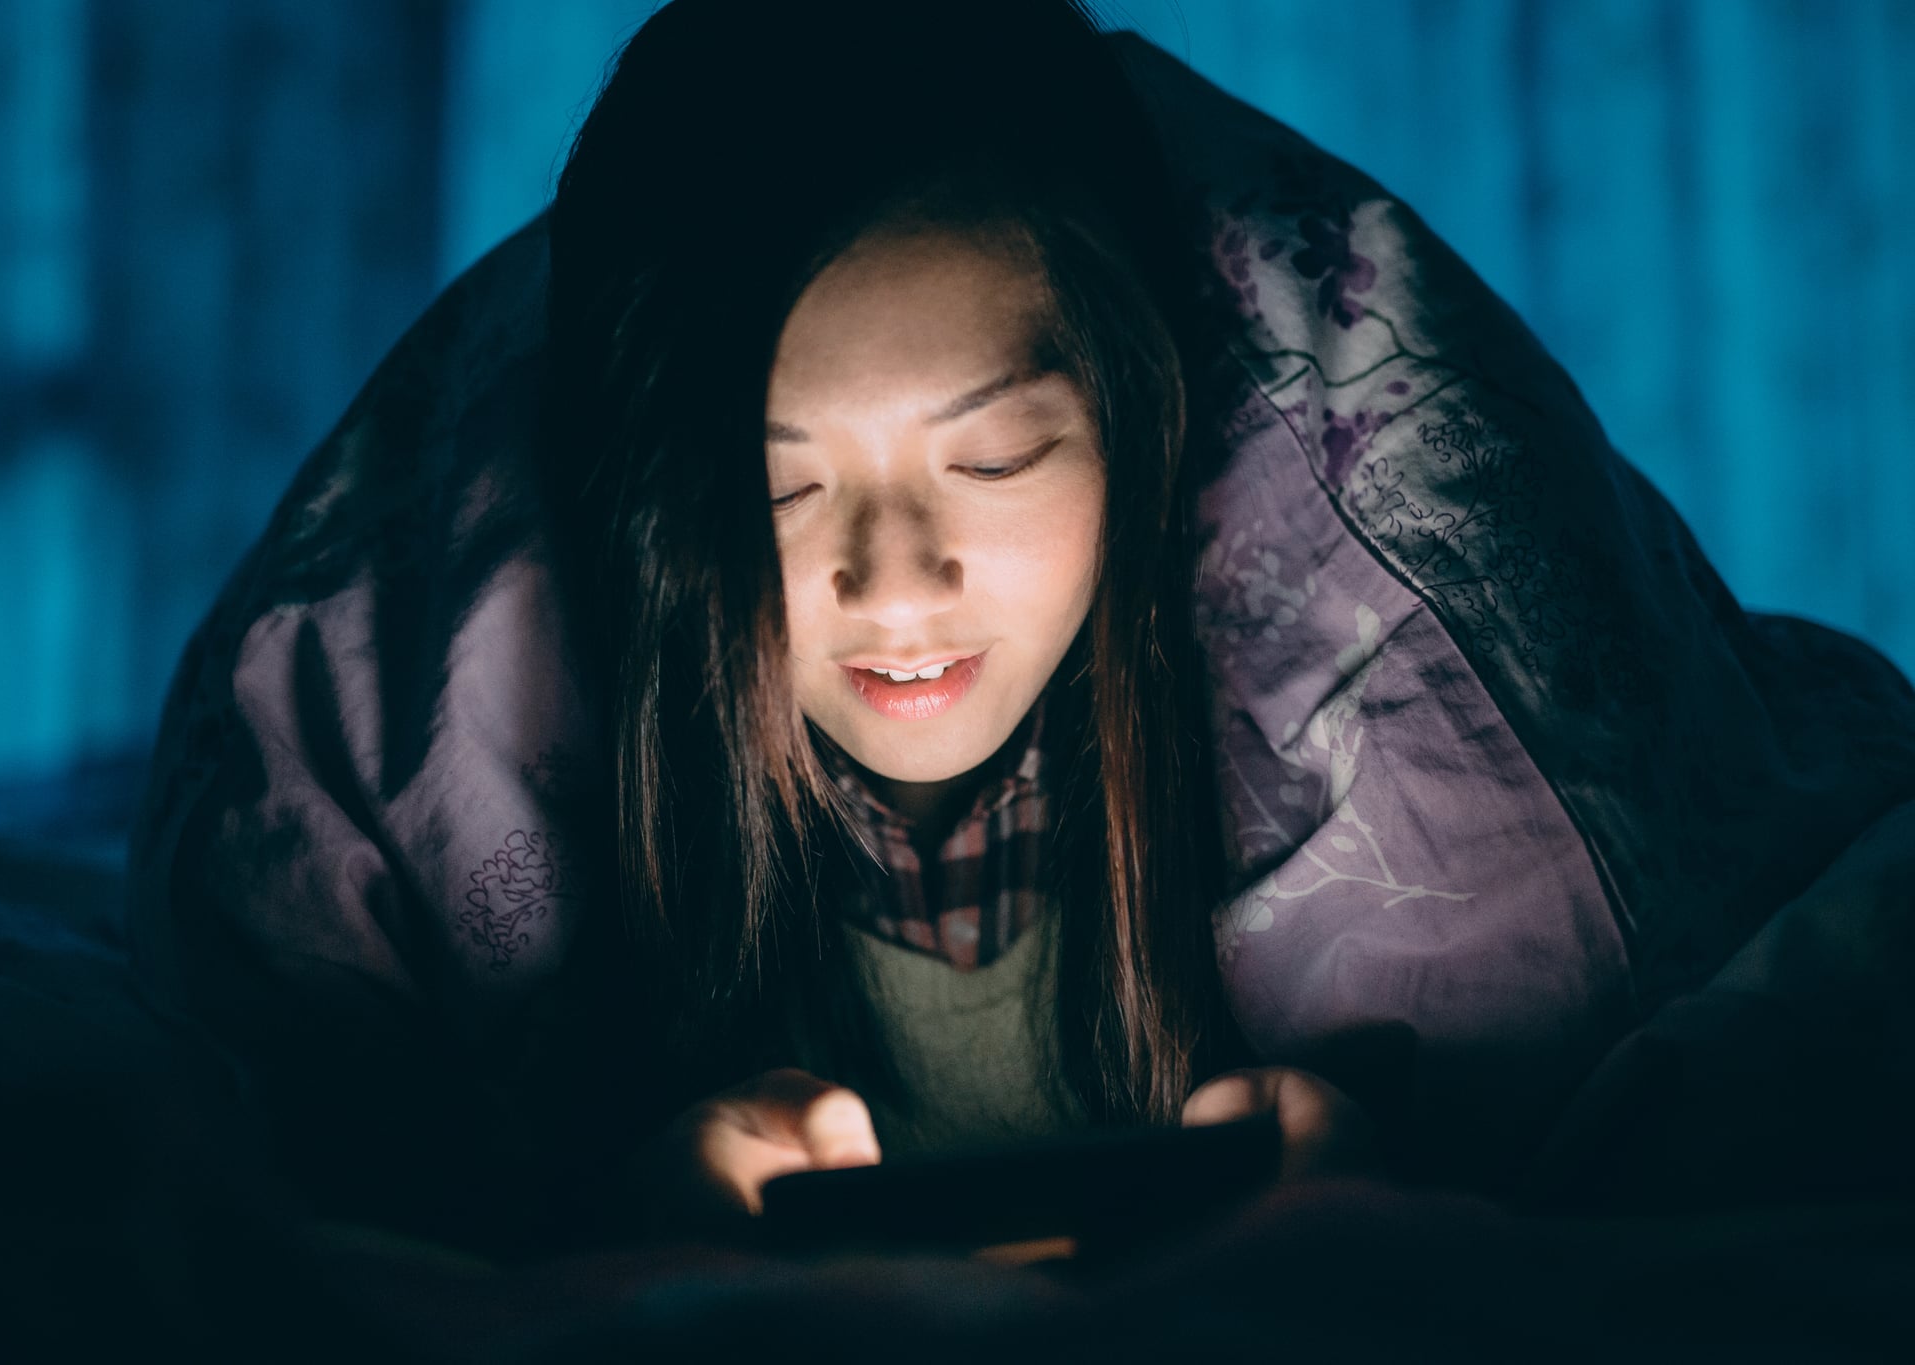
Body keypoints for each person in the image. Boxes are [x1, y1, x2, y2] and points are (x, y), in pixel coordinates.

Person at [127, 0, 1915, 1257]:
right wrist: (623, 1218)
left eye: (990, 456)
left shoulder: (1291, 654)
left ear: (1141, 432)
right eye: (779, 493)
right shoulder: (574, 711)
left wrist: (1374, 1189)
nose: (892, 583)